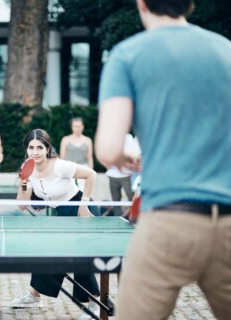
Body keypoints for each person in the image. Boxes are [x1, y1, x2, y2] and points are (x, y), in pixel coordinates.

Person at [95, 0, 231, 319]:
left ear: (142, 3)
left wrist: (128, 155)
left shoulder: (127, 55)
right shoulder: (226, 50)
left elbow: (107, 150)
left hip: (168, 222)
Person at [12, 129, 101, 320]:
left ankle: (95, 304)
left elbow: (91, 174)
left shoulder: (60, 166)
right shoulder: (27, 167)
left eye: (39, 148)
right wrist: (23, 183)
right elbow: (21, 205)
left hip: (81, 208)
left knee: (80, 256)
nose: (35, 152)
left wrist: (84, 203)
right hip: (62, 213)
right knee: (46, 249)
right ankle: (35, 296)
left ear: (47, 148)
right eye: (31, 148)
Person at [104, 133, 136, 216]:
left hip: (126, 175)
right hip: (112, 176)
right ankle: (118, 221)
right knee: (116, 202)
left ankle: (133, 220)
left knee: (132, 200)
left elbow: (131, 154)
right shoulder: (109, 137)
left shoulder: (129, 137)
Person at [59, 117, 94, 191]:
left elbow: (89, 158)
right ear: (72, 127)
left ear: (82, 127)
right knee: (68, 191)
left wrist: (91, 173)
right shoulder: (65, 139)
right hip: (69, 168)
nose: (77, 128)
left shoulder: (88, 140)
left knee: (83, 191)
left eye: (78, 126)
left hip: (83, 168)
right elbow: (62, 157)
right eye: (74, 126)